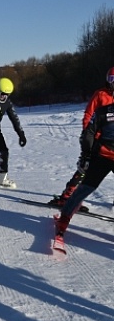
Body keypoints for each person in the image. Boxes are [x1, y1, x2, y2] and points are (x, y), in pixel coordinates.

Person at [49, 66, 114, 207]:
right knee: (86, 167)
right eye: (112, 80)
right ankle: (67, 197)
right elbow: (88, 115)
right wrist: (87, 135)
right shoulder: (100, 95)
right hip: (97, 140)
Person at [54, 102, 114, 245]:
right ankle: (64, 219)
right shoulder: (104, 112)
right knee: (85, 188)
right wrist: (86, 156)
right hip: (103, 156)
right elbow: (89, 132)